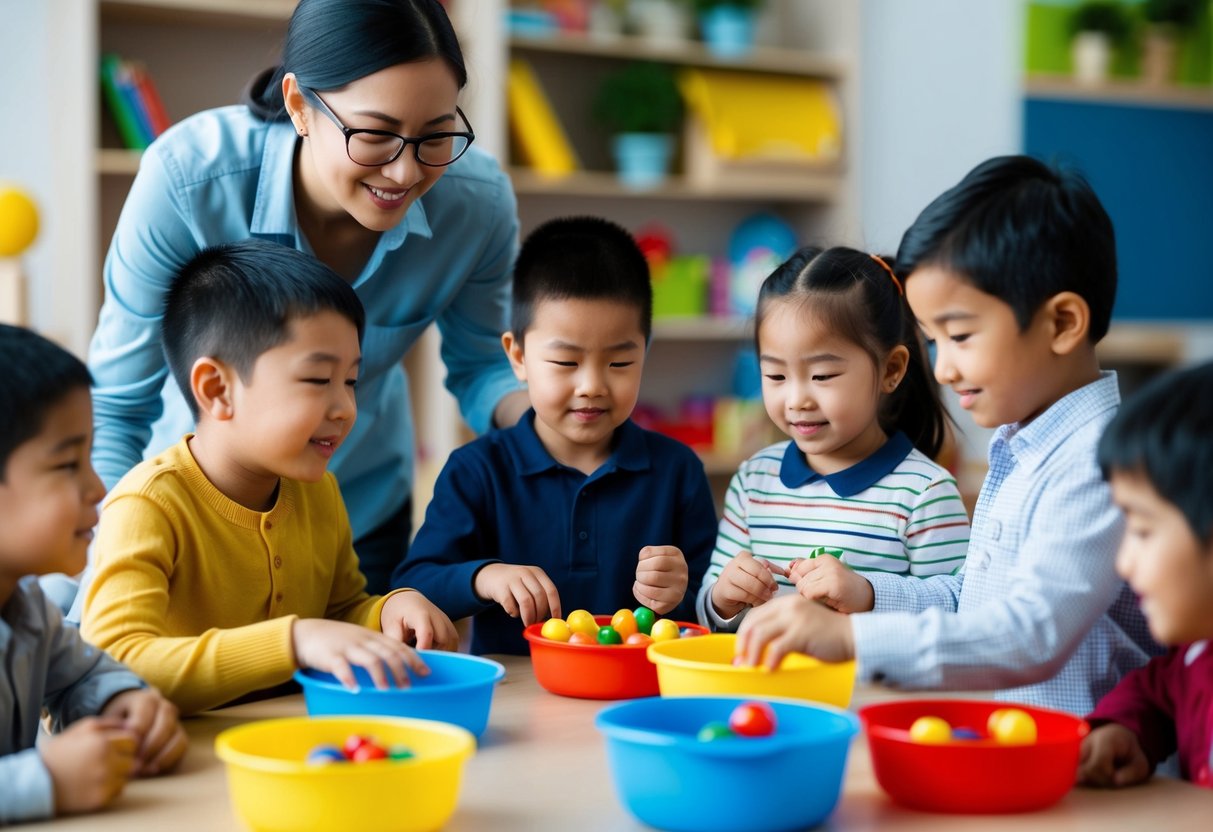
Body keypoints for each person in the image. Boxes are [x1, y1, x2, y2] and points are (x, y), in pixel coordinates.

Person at [82, 0, 528, 595]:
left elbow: (483, 368)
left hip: (355, 512)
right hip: (192, 519)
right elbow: (116, 408)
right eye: (374, 134)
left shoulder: (476, 206)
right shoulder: (188, 181)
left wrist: (555, 418)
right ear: (298, 104)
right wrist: (100, 577)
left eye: (436, 136)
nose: (404, 174)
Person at [734, 155, 1158, 715]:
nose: (942, 369)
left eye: (959, 337)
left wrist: (853, 640)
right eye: (934, 341)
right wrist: (870, 596)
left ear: (1061, 324)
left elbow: (1029, 632)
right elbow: (971, 603)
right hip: (1007, 749)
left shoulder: (1099, 461)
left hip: (1077, 762)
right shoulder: (1021, 446)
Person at [80, 241, 457, 716]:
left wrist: (386, 612)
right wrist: (293, 640)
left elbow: (339, 612)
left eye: (351, 381)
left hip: (295, 745)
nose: (344, 409)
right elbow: (115, 662)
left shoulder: (320, 491)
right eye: (319, 380)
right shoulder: (148, 505)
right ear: (217, 390)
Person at [392, 217, 717, 654]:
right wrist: (484, 577)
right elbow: (413, 585)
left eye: (619, 363)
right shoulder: (477, 471)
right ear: (518, 357)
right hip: (521, 693)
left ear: (645, 352)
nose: (592, 385)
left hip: (637, 690)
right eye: (566, 363)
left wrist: (685, 589)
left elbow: (715, 603)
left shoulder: (677, 470)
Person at [697, 246, 970, 631]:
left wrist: (869, 594)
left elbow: (961, 605)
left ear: (891, 370)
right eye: (776, 376)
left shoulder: (925, 492)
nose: (797, 400)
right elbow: (710, 604)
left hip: (868, 690)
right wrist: (722, 597)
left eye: (822, 376)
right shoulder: (754, 480)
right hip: (761, 687)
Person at [0, 325, 185, 824]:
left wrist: (124, 702)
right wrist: (45, 781)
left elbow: (81, 674)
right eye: (66, 465)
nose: (97, 486)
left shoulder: (26, 604)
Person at [1079, 362, 1213, 789]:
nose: (1124, 562)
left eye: (1142, 530)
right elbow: (1162, 691)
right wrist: (1126, 729)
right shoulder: (1198, 656)